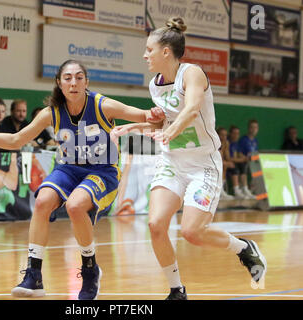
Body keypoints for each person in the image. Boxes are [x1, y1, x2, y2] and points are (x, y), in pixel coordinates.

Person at [0, 59, 161, 299]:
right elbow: (15, 140)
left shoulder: (103, 105)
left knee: (75, 206)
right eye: (68, 78)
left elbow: (147, 116)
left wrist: (154, 114)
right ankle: (34, 274)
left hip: (103, 171)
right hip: (69, 169)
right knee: (42, 201)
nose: (74, 83)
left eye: (79, 77)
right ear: (59, 83)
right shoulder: (50, 113)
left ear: (86, 82)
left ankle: (90, 270)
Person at [111, 17, 267, 300]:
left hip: (203, 164)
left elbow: (193, 108)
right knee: (156, 224)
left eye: (149, 49)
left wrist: (169, 130)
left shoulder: (192, 73)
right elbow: (163, 122)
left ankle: (245, 249)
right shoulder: (155, 85)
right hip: (172, 162)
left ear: (166, 52)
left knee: (193, 232)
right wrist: (135, 126)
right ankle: (176, 290)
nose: (145, 55)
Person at [228, 126, 251, 200]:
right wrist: (241, 160)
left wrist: (245, 158)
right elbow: (229, 158)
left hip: (233, 163)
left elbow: (238, 153)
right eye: (234, 133)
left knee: (243, 165)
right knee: (235, 169)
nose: (236, 135)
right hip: (226, 164)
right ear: (230, 134)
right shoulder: (227, 143)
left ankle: (245, 189)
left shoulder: (235, 144)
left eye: (237, 134)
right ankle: (236, 191)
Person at [237, 119, 259, 199]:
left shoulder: (255, 141)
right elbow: (239, 153)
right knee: (245, 167)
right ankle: (245, 189)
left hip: (253, 161)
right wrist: (246, 158)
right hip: (244, 161)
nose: (253, 129)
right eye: (252, 127)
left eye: (255, 128)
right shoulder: (243, 140)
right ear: (249, 128)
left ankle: (253, 190)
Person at [216, 127, 235, 200]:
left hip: (220, 163)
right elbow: (215, 158)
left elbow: (227, 157)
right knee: (223, 165)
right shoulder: (215, 143)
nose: (224, 137)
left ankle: (221, 191)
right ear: (217, 135)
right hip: (210, 163)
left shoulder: (226, 143)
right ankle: (218, 191)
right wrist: (224, 162)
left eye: (225, 135)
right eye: (222, 135)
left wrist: (229, 162)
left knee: (226, 166)